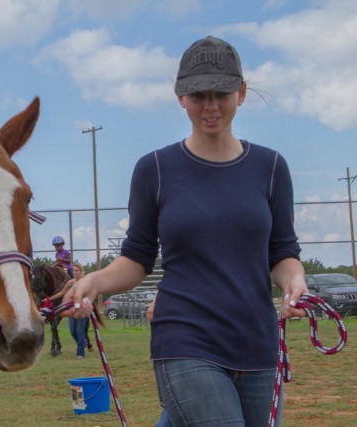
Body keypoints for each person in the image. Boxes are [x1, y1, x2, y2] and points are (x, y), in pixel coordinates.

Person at [62, 36, 309, 426]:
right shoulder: (154, 170)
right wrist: (96, 280)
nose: (210, 106)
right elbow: (137, 258)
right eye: (197, 95)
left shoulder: (272, 167)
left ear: (241, 92)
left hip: (259, 346)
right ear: (180, 97)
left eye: (221, 93)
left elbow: (281, 252)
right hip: (185, 342)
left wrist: (295, 281)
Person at [47, 263, 89, 360]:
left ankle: (80, 353)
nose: (74, 272)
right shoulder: (70, 283)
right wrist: (49, 299)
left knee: (80, 331)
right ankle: (83, 343)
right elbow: (61, 293)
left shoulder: (85, 282)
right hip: (72, 310)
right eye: (73, 271)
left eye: (76, 271)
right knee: (73, 331)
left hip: (82, 309)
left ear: (81, 272)